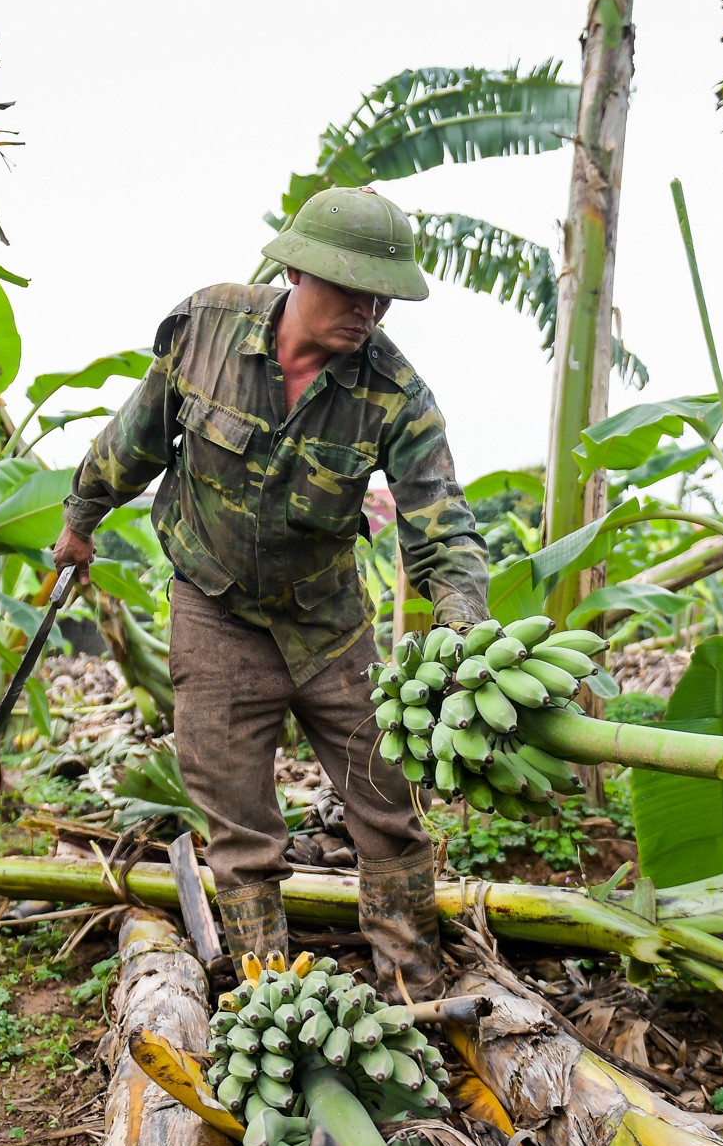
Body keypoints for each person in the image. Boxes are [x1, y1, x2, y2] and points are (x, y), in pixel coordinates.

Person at [51, 185, 488, 998]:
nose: (369, 308)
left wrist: (463, 619)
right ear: (294, 269)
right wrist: (82, 519)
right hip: (214, 612)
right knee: (240, 832)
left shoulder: (395, 392)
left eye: (383, 294)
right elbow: (138, 434)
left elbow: (442, 518)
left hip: (327, 625)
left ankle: (412, 987)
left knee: (388, 810)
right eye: (351, 288)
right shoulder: (207, 328)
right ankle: (270, 1001)